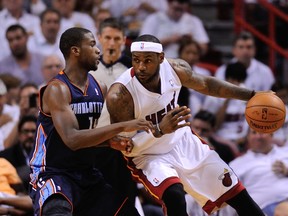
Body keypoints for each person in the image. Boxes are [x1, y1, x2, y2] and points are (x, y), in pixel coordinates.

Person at [98, 34, 266, 216]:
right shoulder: (120, 95)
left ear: (161, 58)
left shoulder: (175, 69)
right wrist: (158, 130)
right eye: (136, 60)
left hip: (183, 141)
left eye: (148, 60)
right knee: (175, 195)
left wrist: (251, 95)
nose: (141, 67)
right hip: (148, 154)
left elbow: (207, 85)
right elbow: (125, 146)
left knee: (236, 192)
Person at [29, 27, 153, 216]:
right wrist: (120, 126)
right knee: (58, 211)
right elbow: (72, 139)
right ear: (75, 51)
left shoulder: (99, 87)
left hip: (85, 172)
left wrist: (110, 143)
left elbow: (88, 135)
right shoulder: (57, 89)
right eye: (93, 44)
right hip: (52, 173)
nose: (98, 50)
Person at [226, 128, 288, 216]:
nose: (258, 136)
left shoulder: (285, 152)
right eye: (254, 133)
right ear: (247, 137)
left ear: (271, 134)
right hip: (266, 206)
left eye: (262, 133)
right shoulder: (237, 164)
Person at [202, 62, 249, 152]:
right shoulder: (214, 96)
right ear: (226, 79)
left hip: (241, 140)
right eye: (233, 79)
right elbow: (213, 126)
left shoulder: (245, 93)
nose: (235, 83)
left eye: (239, 81)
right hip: (219, 139)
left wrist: (245, 137)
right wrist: (227, 101)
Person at [139, 0, 209, 58]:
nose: (180, 6)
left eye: (184, 3)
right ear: (169, 3)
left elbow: (204, 49)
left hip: (186, 65)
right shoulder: (154, 19)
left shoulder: (194, 21)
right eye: (178, 3)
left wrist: (190, 41)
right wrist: (170, 40)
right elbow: (142, 46)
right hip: (160, 62)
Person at [0, 115, 37, 192]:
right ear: (19, 135)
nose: (30, 135)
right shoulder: (6, 157)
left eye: (33, 131)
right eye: (26, 131)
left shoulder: (47, 155)